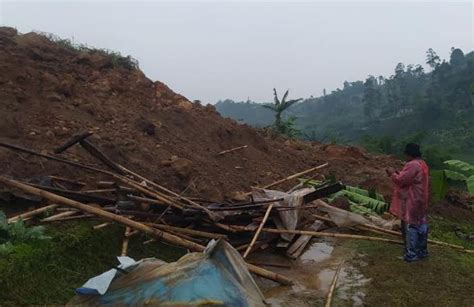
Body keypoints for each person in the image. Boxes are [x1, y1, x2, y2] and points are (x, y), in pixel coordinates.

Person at [386, 143, 430, 262]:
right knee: (422, 225)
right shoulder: (422, 164)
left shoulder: (412, 165)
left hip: (412, 200)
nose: (405, 157)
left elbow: (401, 180)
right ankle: (422, 251)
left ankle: (411, 254)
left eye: (405, 155)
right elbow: (411, 178)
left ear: (409, 154)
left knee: (411, 226)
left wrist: (392, 174)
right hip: (421, 199)